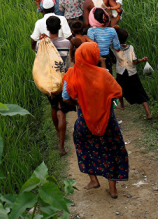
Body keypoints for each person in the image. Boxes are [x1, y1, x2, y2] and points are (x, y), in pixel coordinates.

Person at [61, 42, 129, 199]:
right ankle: (112, 189)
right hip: (107, 120)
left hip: (84, 119)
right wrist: (107, 101)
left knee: (85, 148)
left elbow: (66, 98)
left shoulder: (72, 74)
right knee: (112, 150)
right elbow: (118, 93)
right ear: (92, 57)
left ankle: (93, 180)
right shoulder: (103, 74)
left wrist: (78, 103)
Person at [37, 16, 74, 156]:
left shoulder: (42, 45)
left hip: (48, 81)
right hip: (62, 80)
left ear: (47, 28)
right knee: (61, 110)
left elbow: (39, 60)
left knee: (53, 107)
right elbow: (68, 61)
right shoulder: (66, 43)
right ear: (60, 27)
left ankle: (59, 135)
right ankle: (61, 146)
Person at [113, 28, 151, 117]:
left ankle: (122, 105)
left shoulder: (115, 48)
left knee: (119, 89)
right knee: (140, 90)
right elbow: (134, 61)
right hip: (132, 72)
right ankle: (148, 112)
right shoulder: (131, 47)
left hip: (121, 72)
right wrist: (142, 59)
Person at [87, 8, 120, 74]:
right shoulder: (112, 30)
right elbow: (117, 48)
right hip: (107, 58)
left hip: (95, 58)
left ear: (93, 18)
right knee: (108, 79)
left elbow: (90, 47)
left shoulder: (91, 31)